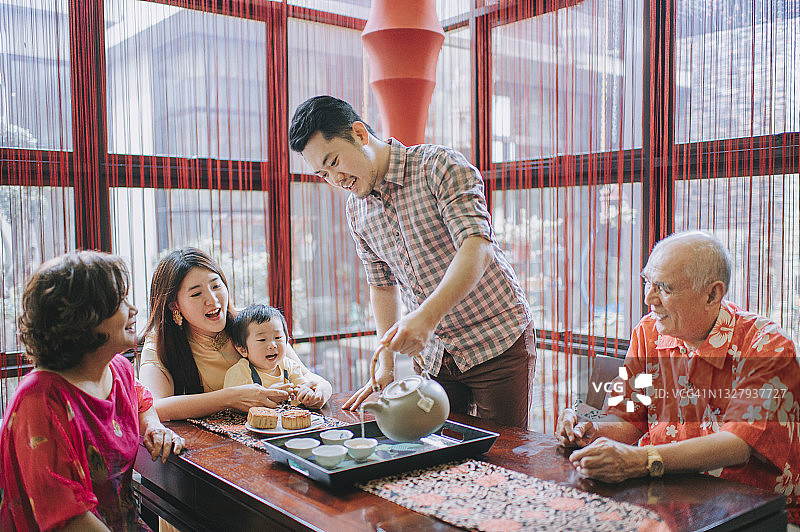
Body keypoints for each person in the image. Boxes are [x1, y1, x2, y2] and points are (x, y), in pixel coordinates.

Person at [289, 95, 536, 428]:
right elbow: (381, 285)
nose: (336, 180)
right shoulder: (355, 209)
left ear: (360, 134)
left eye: (334, 162)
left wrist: (426, 317)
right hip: (433, 355)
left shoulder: (438, 165)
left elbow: (477, 245)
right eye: (323, 174)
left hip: (495, 341)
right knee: (432, 449)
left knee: (502, 459)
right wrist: (386, 364)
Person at [556, 231, 800, 525]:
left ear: (712, 294)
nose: (649, 298)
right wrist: (589, 428)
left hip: (752, 513)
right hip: (667, 503)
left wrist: (640, 460)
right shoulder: (647, 333)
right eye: (648, 282)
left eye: (664, 288)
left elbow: (736, 444)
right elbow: (628, 419)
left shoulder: (767, 346)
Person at [0, 251, 184, 531]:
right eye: (120, 301)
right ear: (84, 317)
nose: (133, 310)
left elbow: (142, 401)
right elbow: (68, 519)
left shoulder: (119, 369)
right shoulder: (39, 400)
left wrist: (153, 426)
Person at [139, 248, 332, 420]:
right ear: (175, 305)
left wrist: (321, 390)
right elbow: (154, 406)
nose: (213, 300)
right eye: (197, 294)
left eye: (216, 286)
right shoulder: (160, 342)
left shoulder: (249, 323)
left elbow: (308, 376)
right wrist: (230, 398)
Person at [224, 303, 330, 408]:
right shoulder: (240, 372)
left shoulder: (289, 366)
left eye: (278, 338)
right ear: (243, 349)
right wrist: (268, 396)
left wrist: (307, 394)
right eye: (262, 340)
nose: (272, 345)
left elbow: (303, 385)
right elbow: (234, 405)